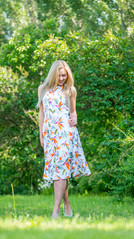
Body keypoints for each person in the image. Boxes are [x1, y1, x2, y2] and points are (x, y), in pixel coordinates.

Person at [36, 60, 91, 218]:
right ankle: (67, 204)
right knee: (59, 170)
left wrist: (75, 119)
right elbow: (42, 112)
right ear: (53, 74)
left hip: (66, 133)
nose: (62, 78)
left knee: (60, 168)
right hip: (50, 134)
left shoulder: (70, 90)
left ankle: (55, 211)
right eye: (60, 75)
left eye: (64, 76)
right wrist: (41, 134)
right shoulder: (43, 89)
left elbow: (73, 112)